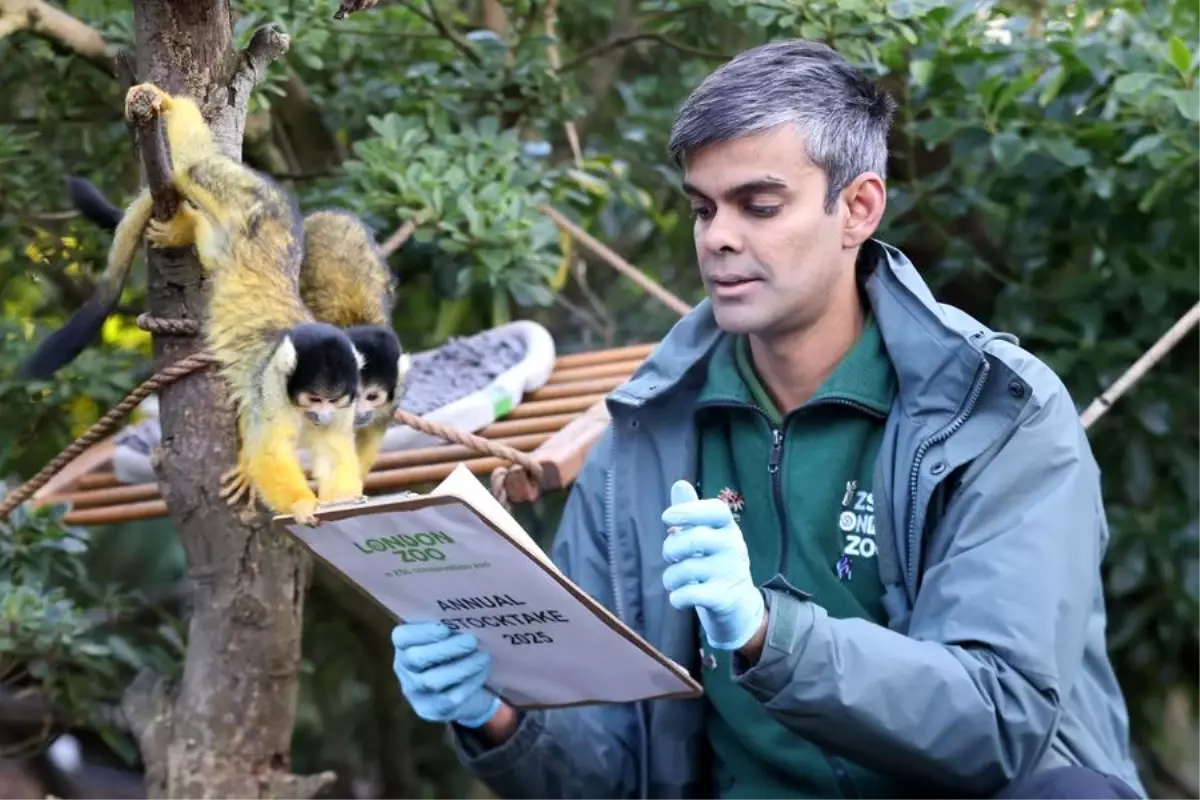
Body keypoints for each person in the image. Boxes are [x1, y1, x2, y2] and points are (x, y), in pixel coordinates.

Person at [388, 39, 1148, 800]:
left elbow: (998, 719)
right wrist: (498, 716)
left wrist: (764, 633)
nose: (718, 236)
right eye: (702, 207)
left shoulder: (998, 410)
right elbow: (618, 771)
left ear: (858, 208)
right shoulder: (640, 435)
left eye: (758, 205)